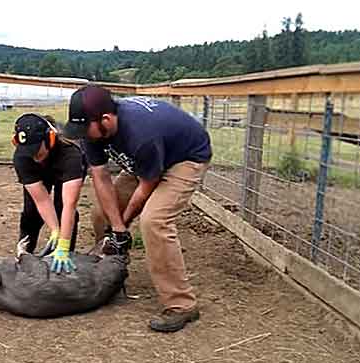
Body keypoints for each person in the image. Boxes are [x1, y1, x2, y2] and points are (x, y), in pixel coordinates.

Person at [63, 85, 212, 332]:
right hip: (148, 160)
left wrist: (123, 226)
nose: (82, 136)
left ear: (106, 120)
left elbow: (146, 186)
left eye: (83, 130)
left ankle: (181, 304)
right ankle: (111, 270)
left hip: (184, 158)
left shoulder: (141, 133)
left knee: (154, 221)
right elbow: (100, 178)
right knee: (101, 213)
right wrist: (116, 228)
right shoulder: (91, 131)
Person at [12, 113, 86, 274]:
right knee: (31, 212)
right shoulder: (22, 157)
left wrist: (63, 244)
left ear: (50, 139)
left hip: (64, 168)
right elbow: (42, 201)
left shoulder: (71, 154)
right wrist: (54, 230)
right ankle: (25, 255)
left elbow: (70, 204)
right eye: (28, 151)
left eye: (37, 151)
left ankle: (66, 254)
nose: (33, 156)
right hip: (40, 175)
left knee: (62, 208)